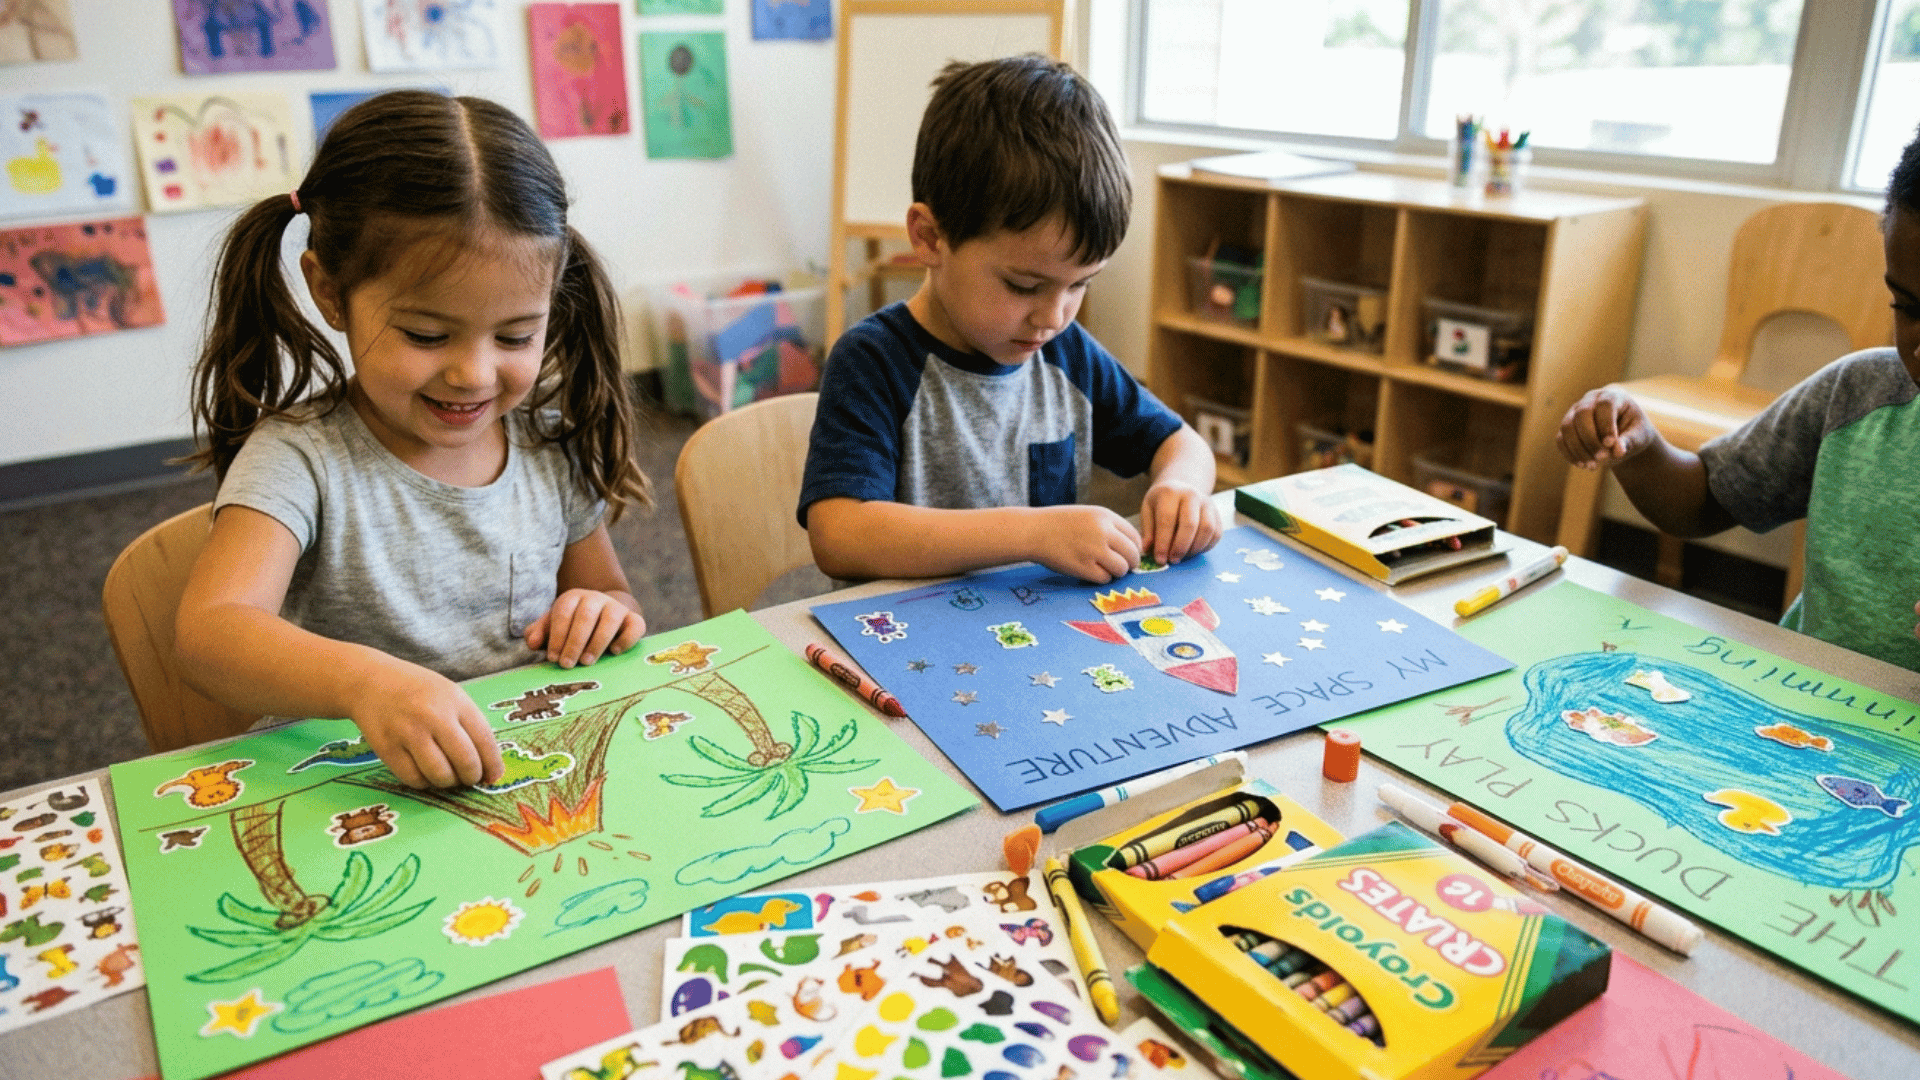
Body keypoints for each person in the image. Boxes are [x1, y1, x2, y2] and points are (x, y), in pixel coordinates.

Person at [174, 91, 653, 790]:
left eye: (516, 335)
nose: (473, 374)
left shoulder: (549, 443)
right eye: (427, 335)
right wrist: (364, 682)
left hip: (515, 772)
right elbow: (209, 632)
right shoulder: (300, 458)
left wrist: (605, 614)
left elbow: (614, 595)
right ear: (330, 293)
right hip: (354, 790)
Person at [799, 54, 1222, 584]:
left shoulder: (1065, 354)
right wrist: (1033, 534)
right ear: (930, 237)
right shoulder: (874, 361)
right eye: (1024, 286)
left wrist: (1180, 487)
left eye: (1080, 284)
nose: (1053, 316)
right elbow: (840, 535)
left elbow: (1183, 444)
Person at [1557, 122, 1920, 671]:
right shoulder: (1860, 394)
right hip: (1792, 716)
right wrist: (1642, 446)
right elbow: (1705, 499)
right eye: (1908, 308)